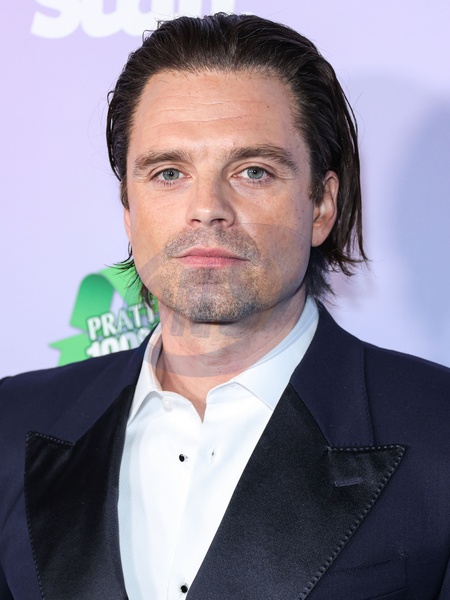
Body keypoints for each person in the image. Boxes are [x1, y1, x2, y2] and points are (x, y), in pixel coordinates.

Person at [1, 13, 449, 600]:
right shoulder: (12, 421)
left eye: (253, 171)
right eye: (169, 173)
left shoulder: (438, 427)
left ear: (321, 206)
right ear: (129, 210)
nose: (207, 206)